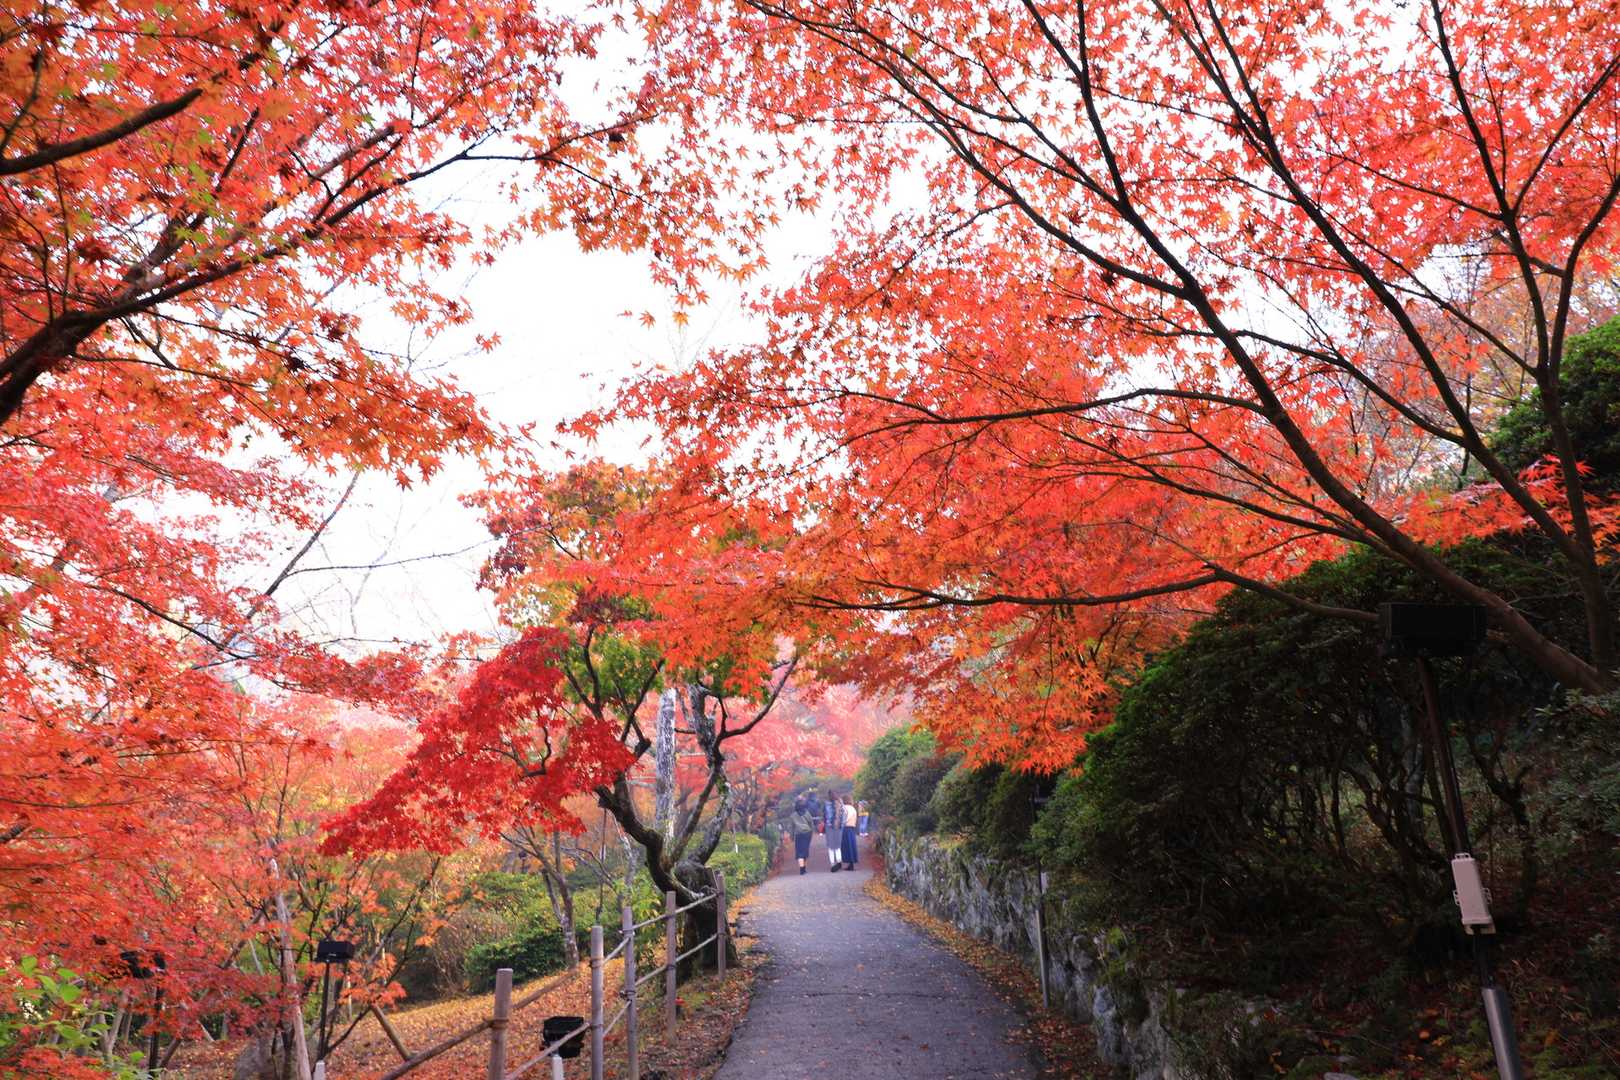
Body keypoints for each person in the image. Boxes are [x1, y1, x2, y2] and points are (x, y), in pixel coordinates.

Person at [790, 795, 816, 875]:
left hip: (798, 834)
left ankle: (802, 869)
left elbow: (792, 827)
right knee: (805, 850)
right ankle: (804, 869)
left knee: (799, 852)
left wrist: (791, 837)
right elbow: (811, 823)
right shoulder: (807, 813)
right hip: (807, 833)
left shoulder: (793, 815)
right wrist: (812, 831)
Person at [824, 790, 842, 871]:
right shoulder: (840, 803)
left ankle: (832, 864)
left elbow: (825, 816)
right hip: (839, 827)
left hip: (829, 827)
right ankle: (839, 861)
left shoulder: (826, 804)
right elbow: (845, 815)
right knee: (837, 846)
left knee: (831, 846)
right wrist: (842, 824)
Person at [840, 793, 859, 869]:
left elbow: (845, 818)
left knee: (846, 846)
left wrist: (841, 823)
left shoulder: (845, 808)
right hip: (851, 828)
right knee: (851, 845)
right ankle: (851, 862)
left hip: (846, 828)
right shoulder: (852, 808)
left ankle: (849, 863)